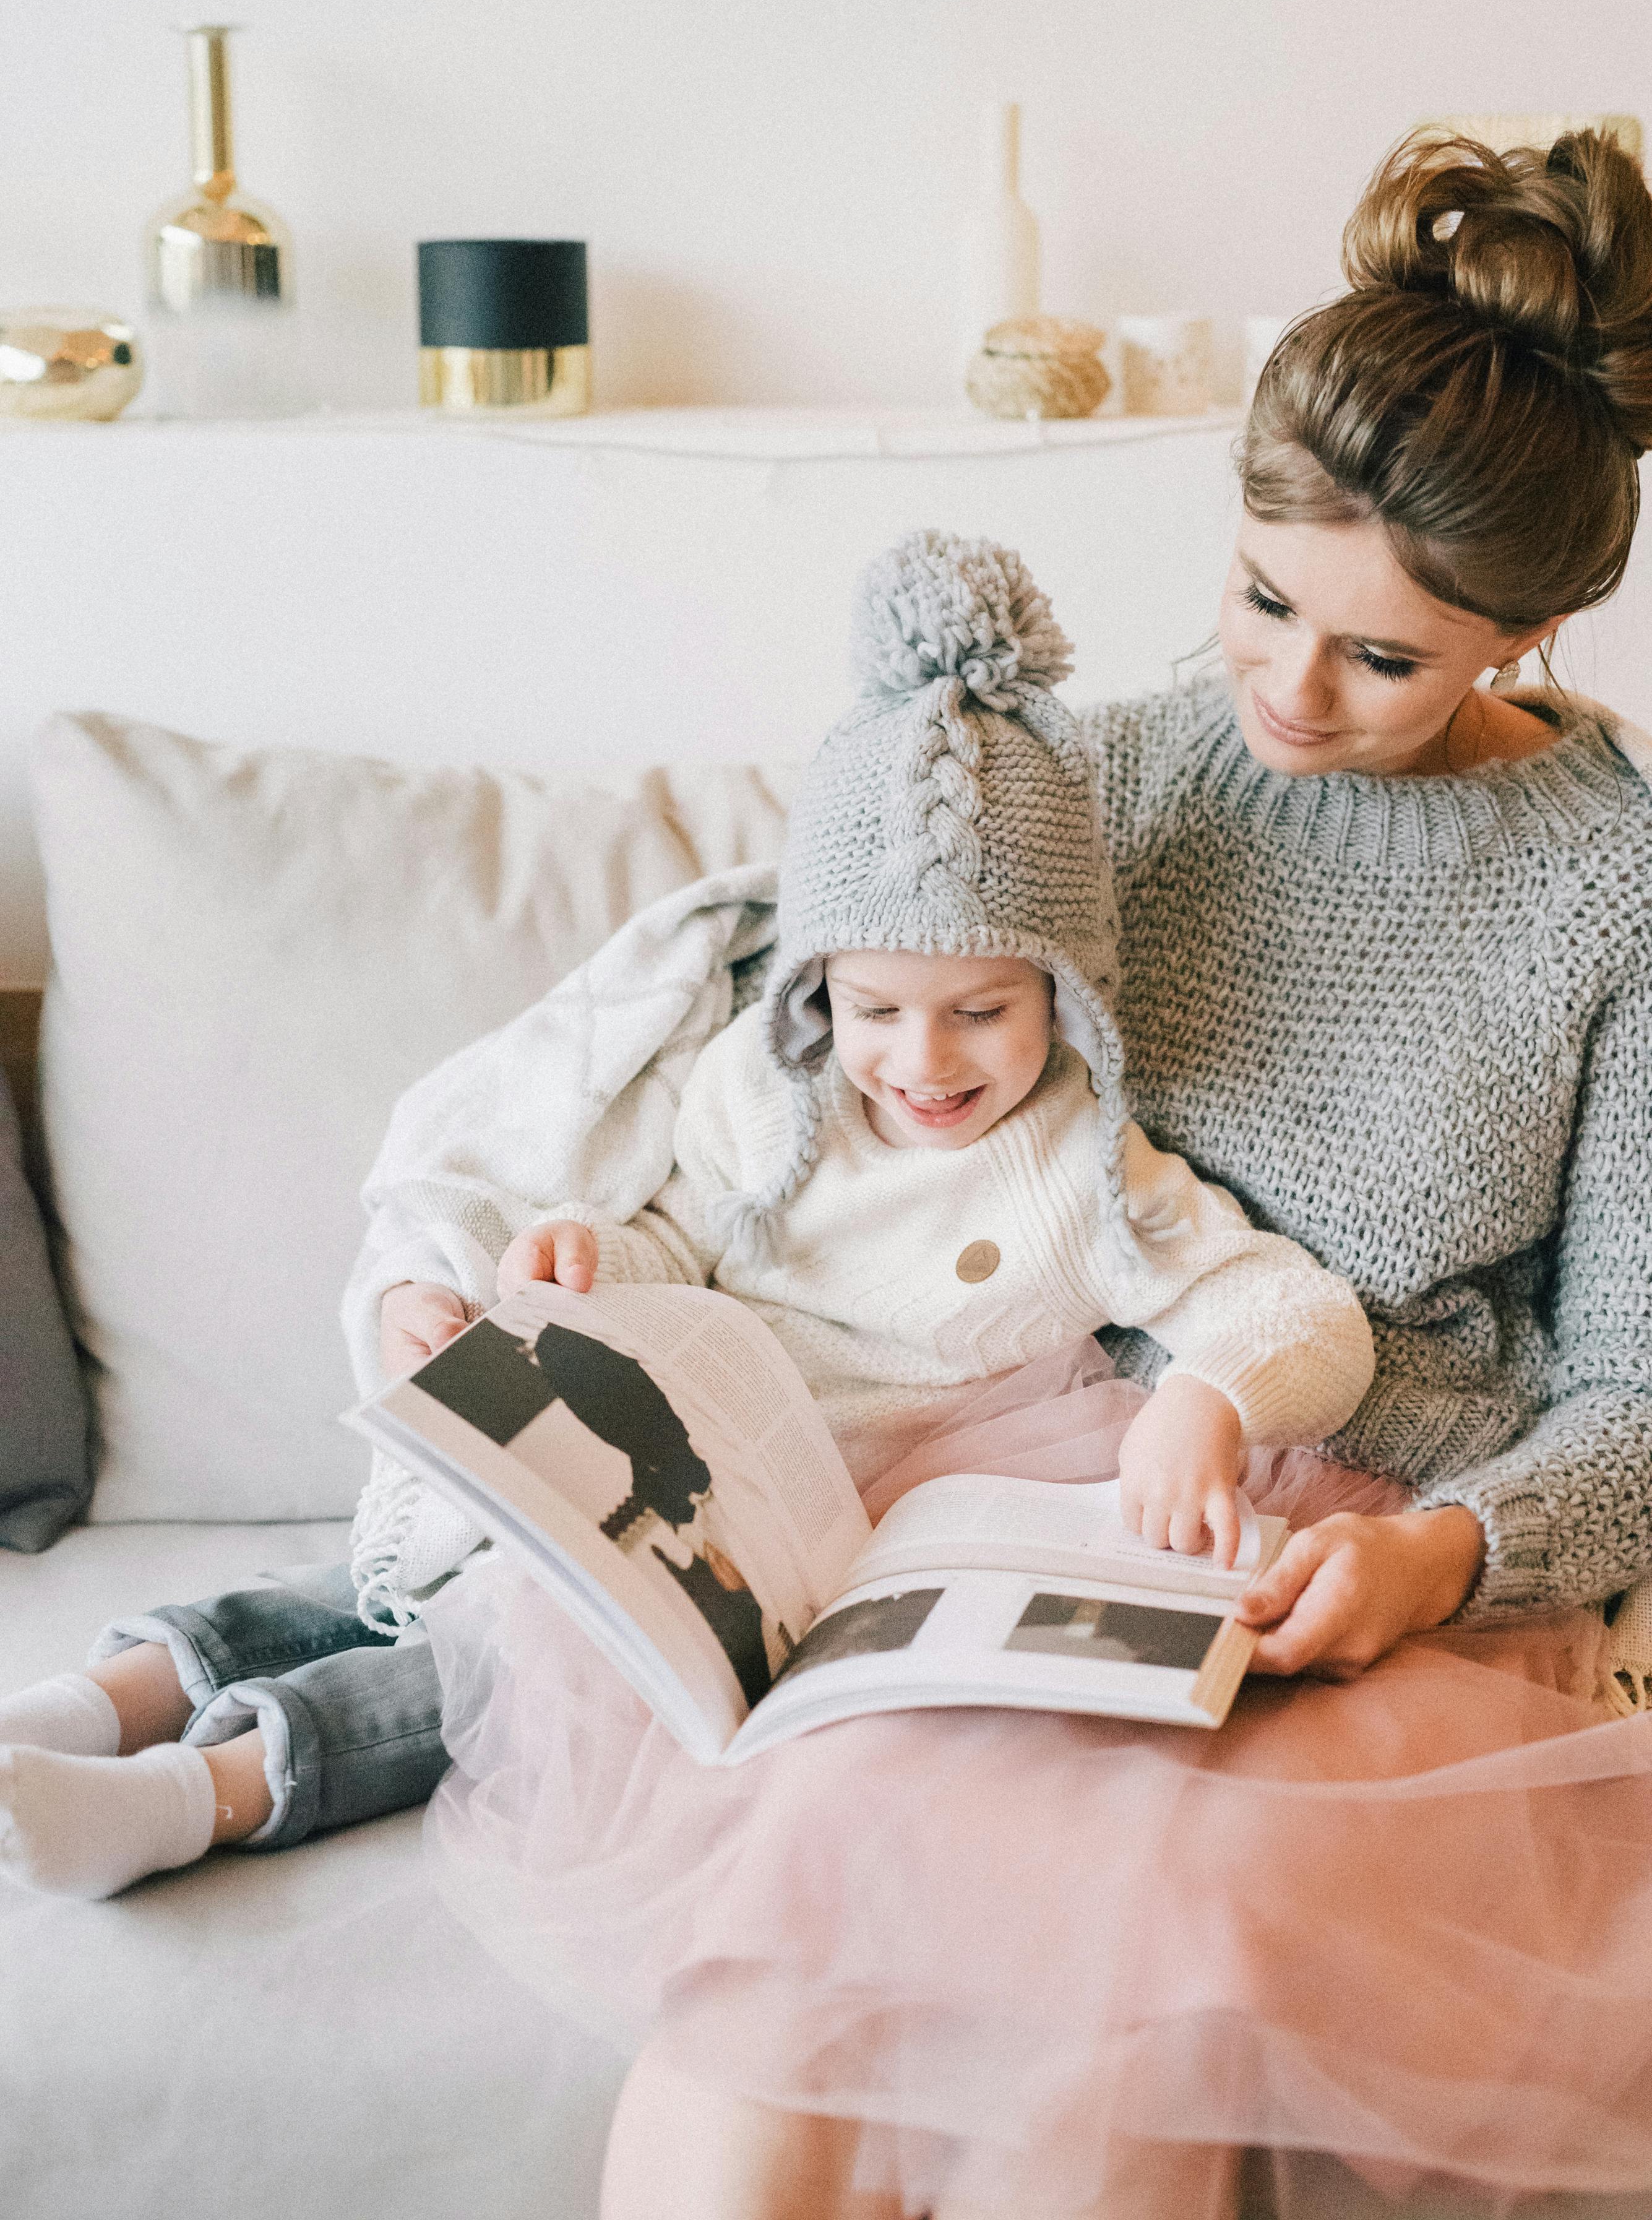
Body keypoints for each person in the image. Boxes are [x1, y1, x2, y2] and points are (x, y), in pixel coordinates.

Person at [419, 127, 1652, 2220]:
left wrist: (1438, 1561)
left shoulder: (1613, 888)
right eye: (1265, 599)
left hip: (1363, 1548)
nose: (1283, 686)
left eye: (1382, 660)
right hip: (1019, 1488)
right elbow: (820, 1055)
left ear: (1521, 636)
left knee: (1147, 1960)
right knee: (788, 1958)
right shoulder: (1105, 779)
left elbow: (1639, 1391)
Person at [0, 530, 1375, 1904]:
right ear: (817, 985)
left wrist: (1212, 1395)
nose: (925, 1061)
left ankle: (206, 1793)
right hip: (675, 1461)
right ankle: (107, 1696)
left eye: (983, 1011)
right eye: (875, 1008)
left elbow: (1296, 1311)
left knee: (511, 1656)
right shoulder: (765, 1094)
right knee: (439, 1559)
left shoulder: (1081, 1160)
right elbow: (680, 1240)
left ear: (1066, 995)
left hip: (832, 1543)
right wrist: (591, 1259)